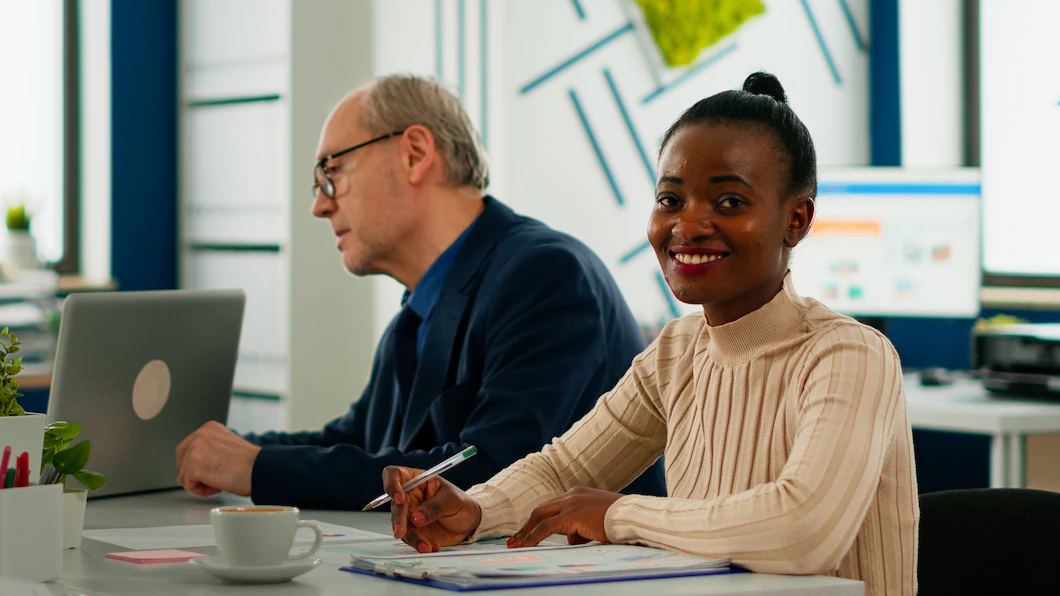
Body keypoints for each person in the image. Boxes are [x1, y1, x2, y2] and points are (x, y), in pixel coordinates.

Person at [381, 72, 919, 596]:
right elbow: (566, 468)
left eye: (729, 202)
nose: (688, 226)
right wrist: (475, 509)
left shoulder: (849, 354)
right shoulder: (678, 351)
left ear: (796, 220)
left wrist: (618, 513)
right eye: (671, 200)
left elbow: (804, 530)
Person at [174, 74, 666, 509]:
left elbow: (494, 472)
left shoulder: (547, 275)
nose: (320, 207)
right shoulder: (417, 312)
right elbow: (357, 442)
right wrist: (226, 451)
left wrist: (259, 468)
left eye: (331, 172)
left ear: (415, 154)